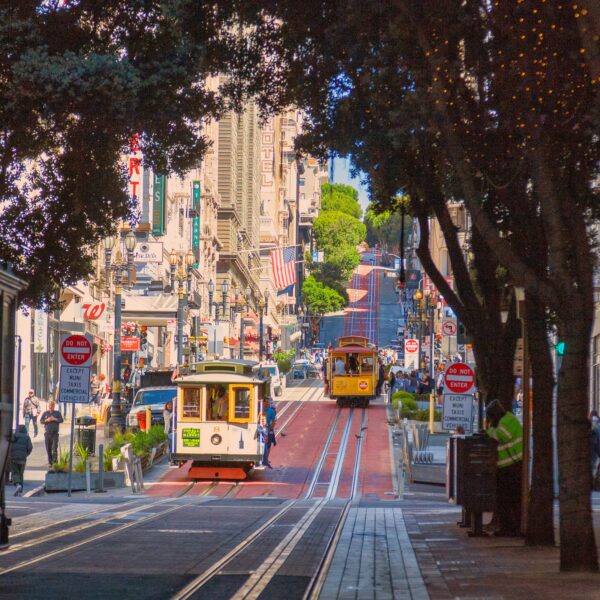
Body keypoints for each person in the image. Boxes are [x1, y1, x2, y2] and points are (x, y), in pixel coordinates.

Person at [486, 399, 523, 536]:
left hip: (513, 466)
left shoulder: (507, 421)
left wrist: (489, 430)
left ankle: (511, 528)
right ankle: (508, 527)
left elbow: (501, 436)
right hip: (507, 466)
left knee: (509, 499)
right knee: (505, 499)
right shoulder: (505, 420)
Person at [40, 400, 64, 468]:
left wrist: (54, 419)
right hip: (47, 434)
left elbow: (61, 420)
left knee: (54, 448)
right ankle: (50, 462)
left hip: (55, 434)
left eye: (52, 405)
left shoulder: (57, 413)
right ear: (48, 406)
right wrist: (46, 420)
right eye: (50, 405)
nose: (51, 406)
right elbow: (41, 421)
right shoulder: (45, 413)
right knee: (48, 449)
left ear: (54, 406)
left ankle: (55, 462)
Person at [10, 424, 33, 496]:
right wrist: (26, 454)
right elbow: (30, 447)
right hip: (23, 458)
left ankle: (18, 484)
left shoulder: (14, 436)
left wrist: (11, 453)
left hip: (14, 457)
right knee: (21, 473)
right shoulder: (27, 437)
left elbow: (10, 445)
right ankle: (20, 489)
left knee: (15, 472)